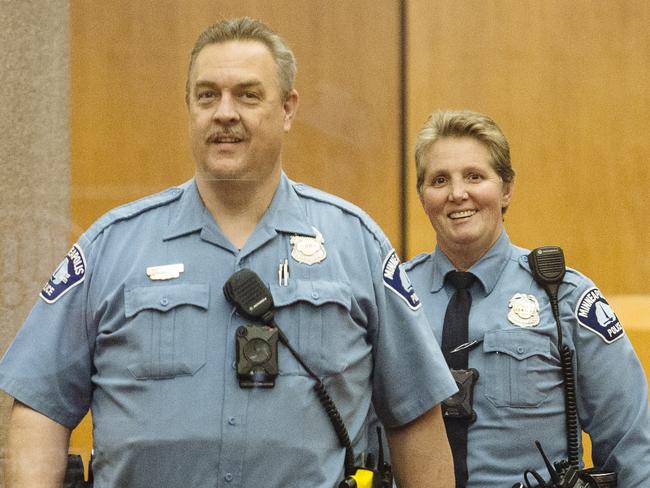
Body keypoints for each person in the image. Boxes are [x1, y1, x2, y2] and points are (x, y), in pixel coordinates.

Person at [0, 18, 458, 488]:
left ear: (287, 108)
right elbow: (41, 406)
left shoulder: (355, 245)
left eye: (247, 95)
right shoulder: (113, 246)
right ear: (189, 107)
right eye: (207, 95)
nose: (224, 113)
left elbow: (415, 416)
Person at [405, 109, 650, 487]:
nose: (457, 194)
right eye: (439, 180)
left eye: (475, 176)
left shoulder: (564, 296)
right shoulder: (395, 298)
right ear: (423, 196)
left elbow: (629, 442)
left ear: (506, 189)